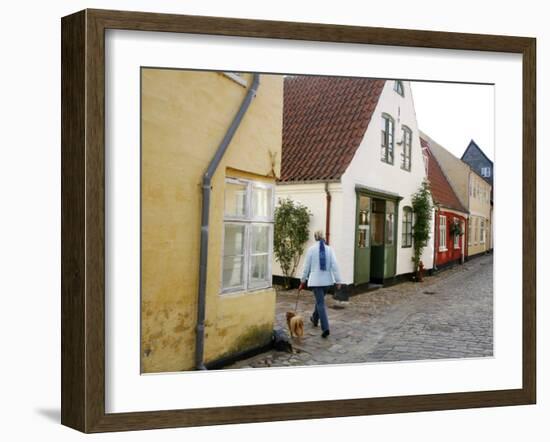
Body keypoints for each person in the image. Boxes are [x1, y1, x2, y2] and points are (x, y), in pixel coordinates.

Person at [298, 230, 342, 338]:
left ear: (315, 238)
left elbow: (306, 267)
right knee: (320, 300)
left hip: (316, 282)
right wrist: (338, 280)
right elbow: (334, 265)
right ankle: (314, 318)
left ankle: (325, 328)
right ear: (323, 238)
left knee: (320, 303)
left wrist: (302, 280)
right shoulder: (329, 249)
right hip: (327, 282)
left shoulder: (311, 250)